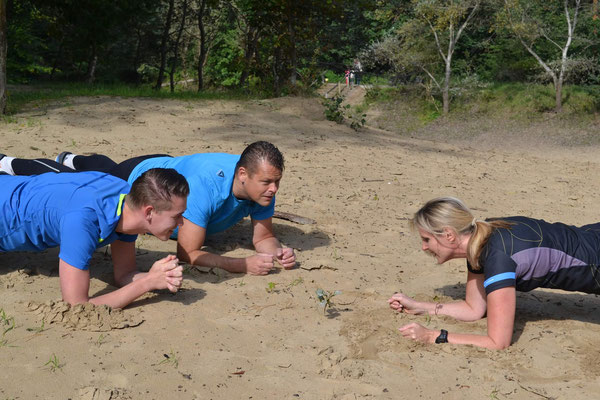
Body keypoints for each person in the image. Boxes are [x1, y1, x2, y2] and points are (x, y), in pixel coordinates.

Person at [0, 141, 296, 275]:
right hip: (144, 175)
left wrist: (276, 251)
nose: (274, 189)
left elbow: (263, 237)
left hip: (171, 170)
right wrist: (241, 265)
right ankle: (8, 163)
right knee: (69, 180)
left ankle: (75, 158)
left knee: (93, 171)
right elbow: (188, 252)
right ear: (242, 175)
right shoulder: (204, 189)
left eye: (277, 182)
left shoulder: (262, 190)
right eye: (267, 182)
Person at [388, 197, 600, 350]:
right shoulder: (482, 238)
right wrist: (421, 307)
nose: (424, 247)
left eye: (426, 239)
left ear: (449, 235)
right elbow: (474, 309)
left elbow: (498, 342)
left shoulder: (498, 258)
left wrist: (434, 336)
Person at [0, 165, 190, 309]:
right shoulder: (84, 220)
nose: (181, 223)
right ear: (148, 212)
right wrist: (147, 283)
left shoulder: (127, 199)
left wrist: (159, 277)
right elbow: (76, 305)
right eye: (176, 216)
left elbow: (124, 275)